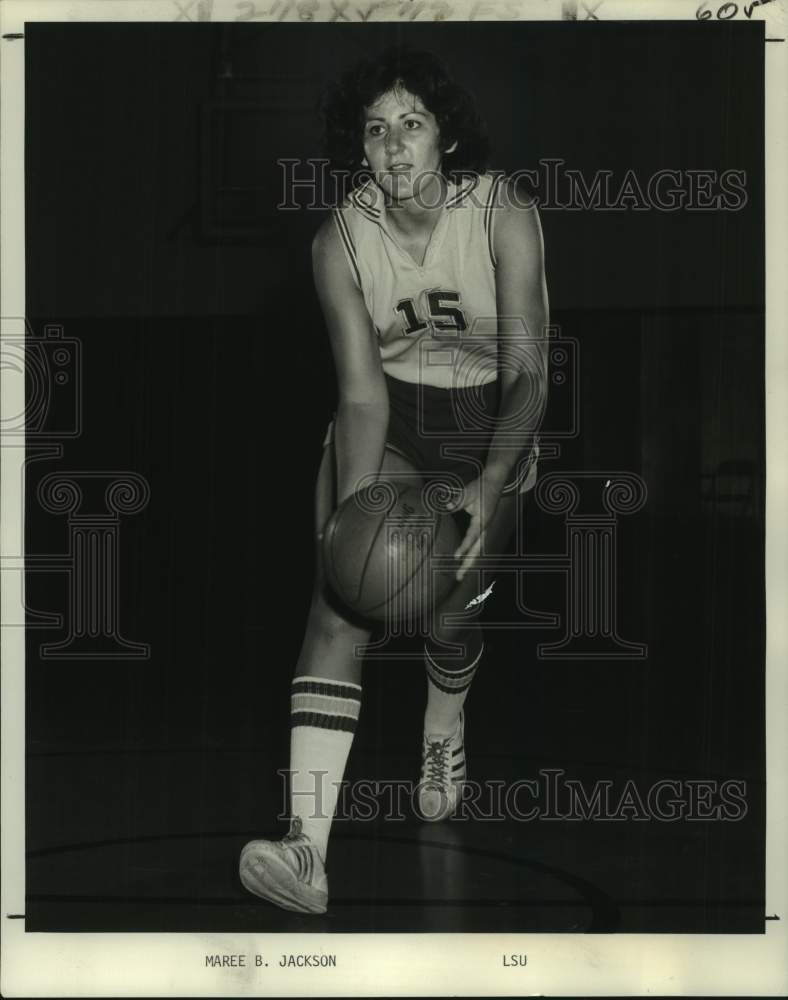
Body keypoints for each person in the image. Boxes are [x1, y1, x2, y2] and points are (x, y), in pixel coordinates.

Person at [239, 46, 549, 914]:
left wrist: (491, 481)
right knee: (338, 604)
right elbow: (360, 394)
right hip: (397, 416)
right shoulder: (339, 242)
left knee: (455, 610)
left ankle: (443, 725)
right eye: (376, 131)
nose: (394, 147)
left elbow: (530, 371)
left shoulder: (503, 213)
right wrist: (348, 524)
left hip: (490, 417)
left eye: (411, 124)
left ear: (444, 135)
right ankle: (305, 847)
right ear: (361, 148)